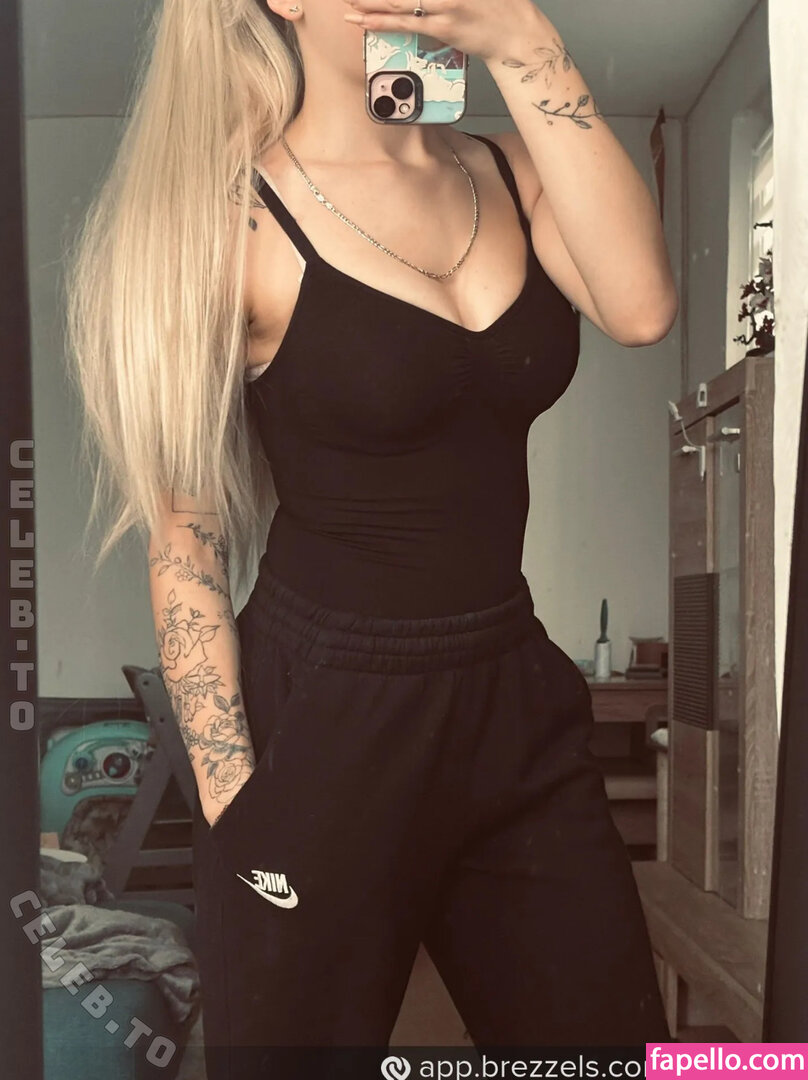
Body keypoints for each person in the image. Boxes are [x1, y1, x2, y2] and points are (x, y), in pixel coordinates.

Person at [64, 0, 678, 1075]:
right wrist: (236, 805)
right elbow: (185, 537)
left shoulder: (511, 170)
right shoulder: (229, 220)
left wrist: (526, 42)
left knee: (611, 1056)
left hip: (513, 697)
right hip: (323, 715)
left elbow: (640, 309)